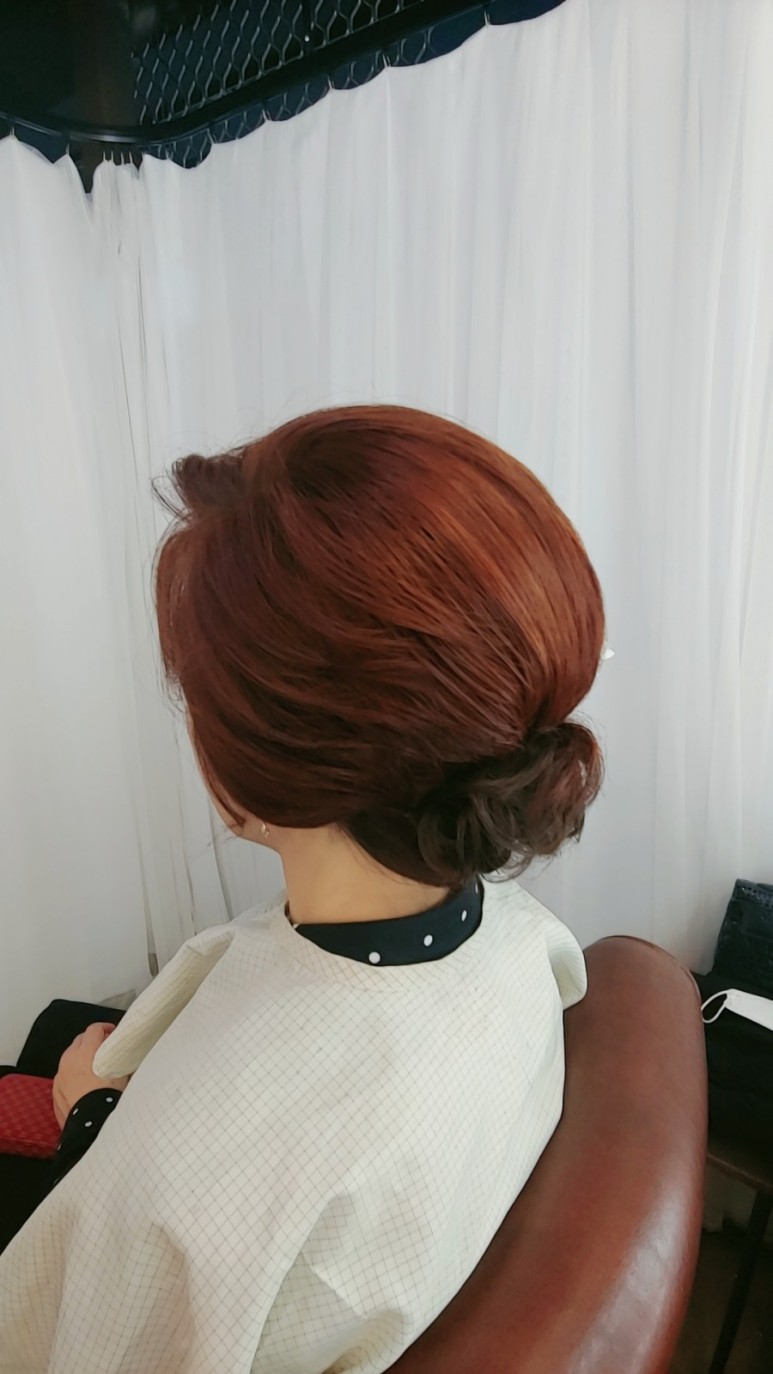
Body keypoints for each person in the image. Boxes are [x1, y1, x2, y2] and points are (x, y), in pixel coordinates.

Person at [0, 405, 606, 1374]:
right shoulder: (525, 941)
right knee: (53, 1029)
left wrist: (91, 1123)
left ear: (273, 756)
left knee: (47, 1053)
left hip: (149, 1173)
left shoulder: (177, 1203)